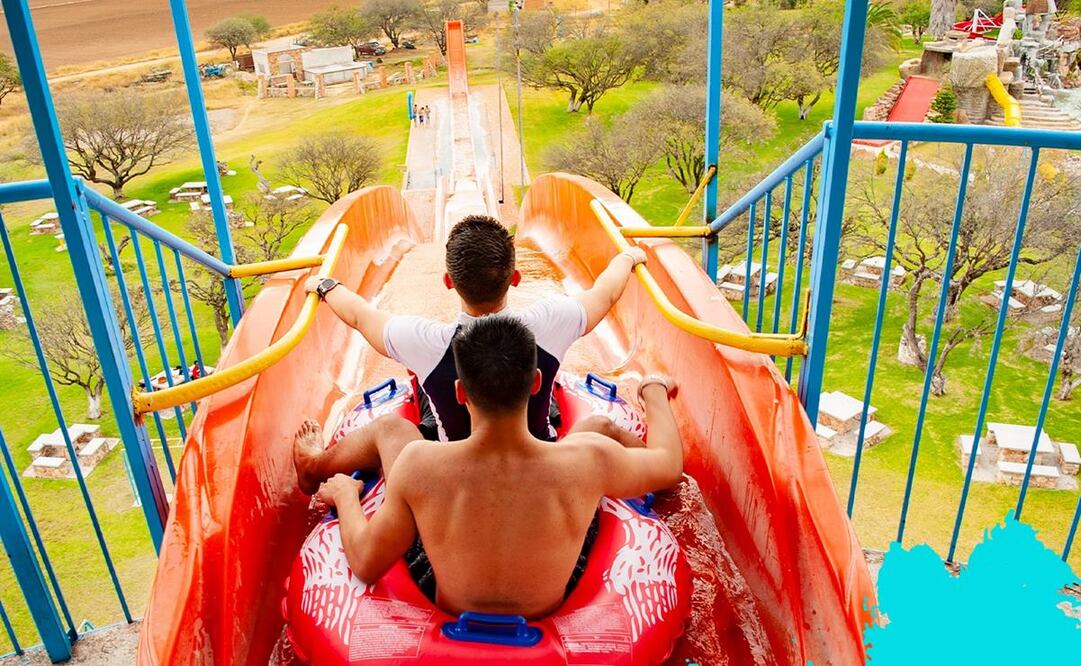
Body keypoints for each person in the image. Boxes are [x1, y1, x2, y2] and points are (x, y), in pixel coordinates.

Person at [294, 316, 683, 618]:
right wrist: (653, 392)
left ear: (460, 392)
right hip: (554, 591)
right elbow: (670, 468)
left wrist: (346, 495)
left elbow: (364, 563)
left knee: (394, 429)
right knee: (598, 426)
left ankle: (316, 465)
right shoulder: (590, 459)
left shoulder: (419, 464)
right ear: (535, 383)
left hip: (448, 592)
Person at [301, 215, 645, 460]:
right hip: (537, 445)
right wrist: (628, 257)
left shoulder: (425, 342)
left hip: (456, 457)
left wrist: (326, 286)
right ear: (515, 277)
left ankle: (318, 465)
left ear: (449, 281)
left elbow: (361, 316)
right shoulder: (552, 322)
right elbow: (606, 294)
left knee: (413, 386)